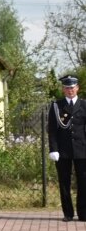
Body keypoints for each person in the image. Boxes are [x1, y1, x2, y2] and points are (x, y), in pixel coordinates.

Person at [47, 75, 86, 222]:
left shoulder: (84, 105)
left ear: (77, 88)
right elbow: (52, 130)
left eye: (72, 87)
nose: (70, 90)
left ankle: (83, 213)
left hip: (82, 150)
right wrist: (53, 149)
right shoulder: (57, 106)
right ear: (63, 89)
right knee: (64, 183)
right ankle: (68, 213)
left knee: (83, 182)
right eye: (67, 87)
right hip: (63, 151)